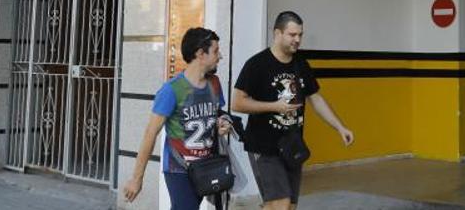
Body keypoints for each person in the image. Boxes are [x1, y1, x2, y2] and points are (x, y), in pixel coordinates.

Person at [233, 11, 355, 210]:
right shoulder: (257, 64)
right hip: (264, 147)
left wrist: (340, 128)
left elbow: (315, 98)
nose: (297, 40)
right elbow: (237, 103)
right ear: (277, 33)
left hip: (291, 145)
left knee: (289, 206)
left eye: (300, 35)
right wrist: (274, 106)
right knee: (280, 203)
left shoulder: (300, 63)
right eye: (292, 35)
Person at [122, 27, 232, 209]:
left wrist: (222, 123)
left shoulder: (214, 83)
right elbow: (150, 133)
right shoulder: (171, 90)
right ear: (200, 54)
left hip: (206, 166)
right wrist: (136, 179)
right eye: (215, 51)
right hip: (178, 169)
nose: (220, 56)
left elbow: (218, 114)